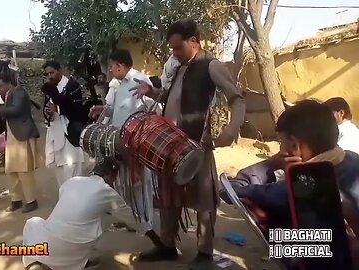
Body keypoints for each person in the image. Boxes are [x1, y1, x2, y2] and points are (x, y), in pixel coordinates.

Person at [130, 18, 246, 268]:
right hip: (170, 145)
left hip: (197, 144)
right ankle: (168, 246)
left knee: (204, 199)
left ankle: (205, 253)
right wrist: (151, 92)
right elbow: (172, 97)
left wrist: (231, 128)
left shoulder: (212, 65)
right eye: (172, 49)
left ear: (194, 41)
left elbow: (237, 99)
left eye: (178, 48)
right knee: (168, 197)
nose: (174, 53)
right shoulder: (181, 67)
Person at [220, 100, 359, 269]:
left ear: (294, 145)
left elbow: (230, 190)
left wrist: (269, 164)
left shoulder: (295, 188)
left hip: (324, 261)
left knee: (281, 238)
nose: (280, 148)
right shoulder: (353, 159)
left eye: (281, 142)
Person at [22, 157, 160, 270]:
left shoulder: (72, 181)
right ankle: (80, 262)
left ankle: (32, 264)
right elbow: (135, 220)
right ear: (112, 175)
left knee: (32, 222)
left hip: (48, 242)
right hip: (73, 247)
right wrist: (159, 242)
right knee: (93, 227)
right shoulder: (107, 192)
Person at [89, 49, 156, 240]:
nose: (110, 70)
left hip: (137, 144)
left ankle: (147, 224)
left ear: (120, 65)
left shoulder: (139, 81)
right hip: (120, 143)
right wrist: (103, 110)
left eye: (112, 67)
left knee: (140, 184)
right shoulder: (120, 85)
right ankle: (133, 220)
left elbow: (154, 110)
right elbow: (118, 111)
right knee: (126, 183)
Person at [0, 74, 42, 213]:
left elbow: (16, 110)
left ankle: (32, 201)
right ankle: (16, 200)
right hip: (12, 136)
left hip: (22, 135)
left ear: (9, 83)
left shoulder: (18, 92)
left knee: (24, 170)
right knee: (11, 170)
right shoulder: (8, 94)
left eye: (0, 86)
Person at [42, 60, 89, 187]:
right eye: (47, 74)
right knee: (61, 177)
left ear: (60, 70)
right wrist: (49, 113)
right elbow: (47, 109)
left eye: (52, 72)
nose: (50, 76)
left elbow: (78, 110)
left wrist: (57, 109)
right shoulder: (50, 88)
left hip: (71, 136)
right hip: (56, 135)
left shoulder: (72, 86)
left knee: (74, 175)